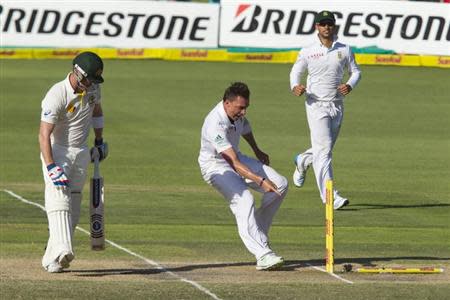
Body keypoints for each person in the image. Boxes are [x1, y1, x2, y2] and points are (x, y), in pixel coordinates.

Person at [198, 82, 288, 271]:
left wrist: (257, 150)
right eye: (240, 108)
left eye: (246, 107)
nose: (243, 112)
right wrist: (260, 180)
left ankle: (258, 234)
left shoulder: (237, 114)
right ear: (226, 103)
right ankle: (263, 255)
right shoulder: (215, 123)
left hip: (236, 156)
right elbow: (233, 163)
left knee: (280, 184)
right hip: (215, 166)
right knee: (245, 201)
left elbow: (245, 127)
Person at [38, 51, 108, 273]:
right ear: (77, 73)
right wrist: (51, 166)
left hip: (81, 153)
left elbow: (97, 112)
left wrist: (99, 141)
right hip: (57, 151)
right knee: (60, 200)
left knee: (74, 205)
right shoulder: (56, 94)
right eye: (89, 80)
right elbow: (43, 134)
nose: (91, 85)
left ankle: (52, 258)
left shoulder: (93, 88)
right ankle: (63, 249)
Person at [289, 11, 361, 210]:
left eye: (329, 24)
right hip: (316, 104)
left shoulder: (344, 49)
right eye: (322, 24)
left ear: (334, 27)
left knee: (323, 150)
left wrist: (350, 85)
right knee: (325, 151)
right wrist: (295, 85)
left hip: (337, 105)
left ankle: (303, 160)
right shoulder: (308, 51)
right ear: (317, 27)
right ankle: (330, 196)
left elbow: (356, 71)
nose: (326, 27)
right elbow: (296, 71)